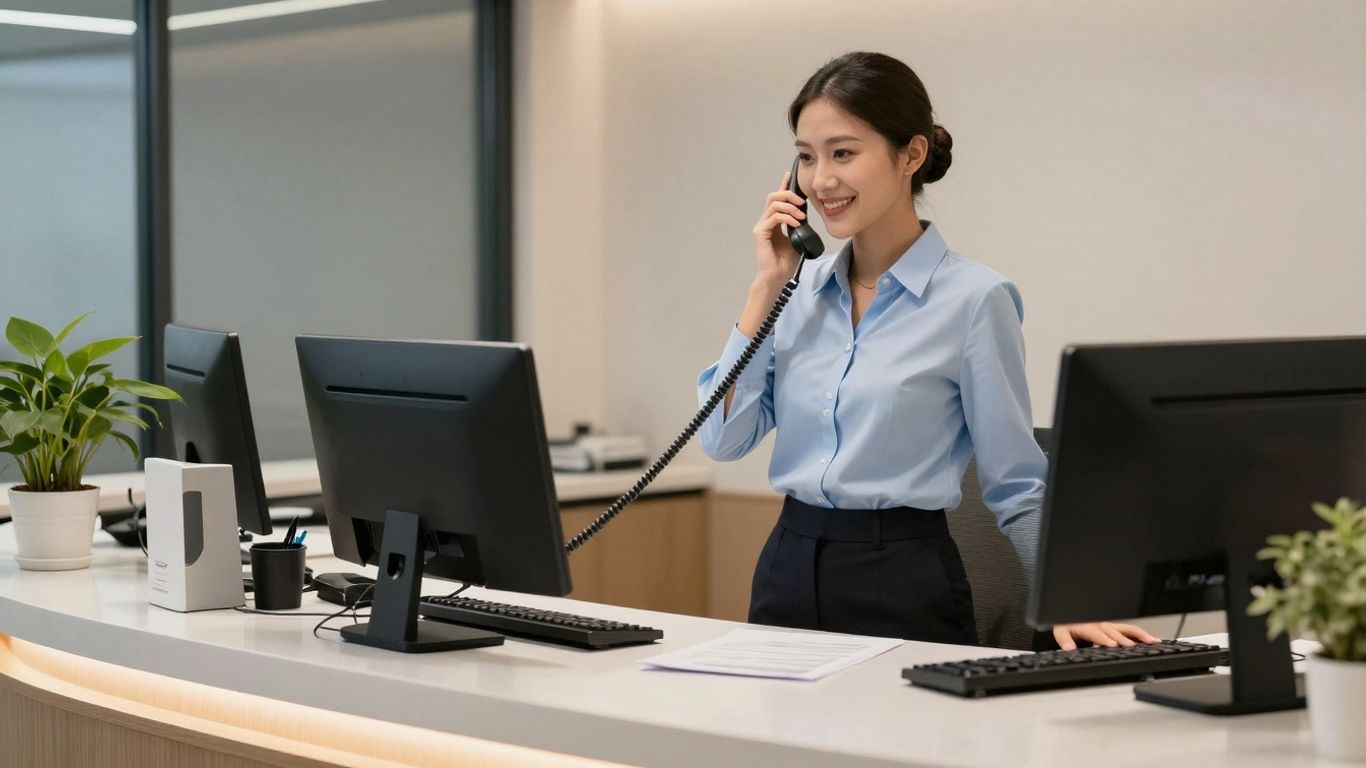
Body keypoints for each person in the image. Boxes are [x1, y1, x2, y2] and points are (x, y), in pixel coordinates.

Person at [697, 51, 1156, 651]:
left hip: (902, 580)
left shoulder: (974, 299)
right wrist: (765, 286)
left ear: (910, 155)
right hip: (787, 564)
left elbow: (1016, 481)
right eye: (806, 158)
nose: (821, 181)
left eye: (843, 153)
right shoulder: (796, 291)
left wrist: (1065, 596)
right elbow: (723, 440)